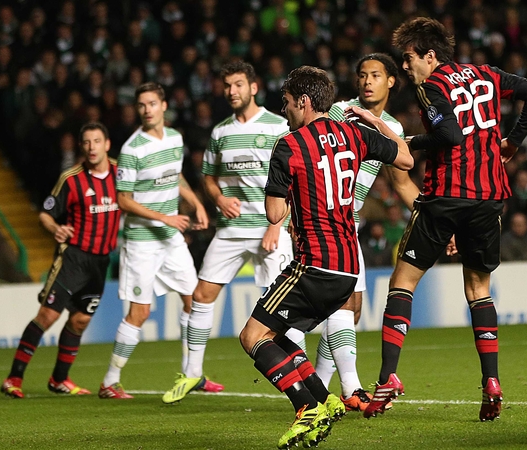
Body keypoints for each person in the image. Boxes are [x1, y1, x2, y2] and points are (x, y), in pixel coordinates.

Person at [364, 17, 527, 421]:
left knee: (403, 281)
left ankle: (388, 378)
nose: (406, 67)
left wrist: (405, 141)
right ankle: (492, 382)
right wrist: (513, 142)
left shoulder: (432, 86)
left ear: (430, 56)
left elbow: (448, 136)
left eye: (409, 59)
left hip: (447, 193)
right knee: (479, 288)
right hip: (489, 197)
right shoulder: (487, 74)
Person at [238, 66, 413, 449]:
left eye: (286, 103)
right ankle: (326, 398)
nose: (285, 111)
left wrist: (285, 188)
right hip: (349, 267)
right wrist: (373, 121)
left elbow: (274, 214)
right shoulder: (355, 132)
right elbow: (405, 159)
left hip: (314, 262)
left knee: (252, 336)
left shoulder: (289, 145)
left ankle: (306, 407)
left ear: (303, 102)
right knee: (279, 333)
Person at [162, 61, 300, 403]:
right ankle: (192, 373)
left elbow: (294, 177)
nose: (231, 91)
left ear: (253, 87)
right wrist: (219, 198)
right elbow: (208, 176)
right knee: (201, 295)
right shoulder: (221, 131)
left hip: (270, 228)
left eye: (238, 84)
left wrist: (276, 225)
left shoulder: (277, 125)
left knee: (283, 307)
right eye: (227, 85)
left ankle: (301, 377)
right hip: (232, 230)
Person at [314, 53, 422, 412]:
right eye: (362, 75)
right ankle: (349, 389)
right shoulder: (338, 112)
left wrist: (434, 219)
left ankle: (322, 391)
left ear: (391, 81)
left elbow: (402, 182)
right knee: (340, 305)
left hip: (348, 223)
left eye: (375, 75)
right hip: (321, 220)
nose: (367, 81)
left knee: (352, 309)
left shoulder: (391, 126)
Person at [99, 82, 208, 399]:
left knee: (195, 299)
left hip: (170, 238)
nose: (147, 109)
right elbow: (123, 200)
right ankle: (110, 381)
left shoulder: (175, 138)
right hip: (142, 241)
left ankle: (191, 374)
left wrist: (197, 203)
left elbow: (175, 177)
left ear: (163, 105)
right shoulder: (132, 149)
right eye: (141, 105)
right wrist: (166, 218)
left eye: (152, 103)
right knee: (140, 313)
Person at [0, 122, 121, 399]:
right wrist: (56, 228)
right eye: (86, 142)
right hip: (73, 258)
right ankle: (13, 378)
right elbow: (45, 213)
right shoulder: (72, 179)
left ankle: (59, 380)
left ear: (107, 144)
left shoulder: (121, 174)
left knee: (79, 321)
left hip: (101, 263)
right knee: (48, 316)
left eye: (96, 141)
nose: (91, 147)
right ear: (82, 146)